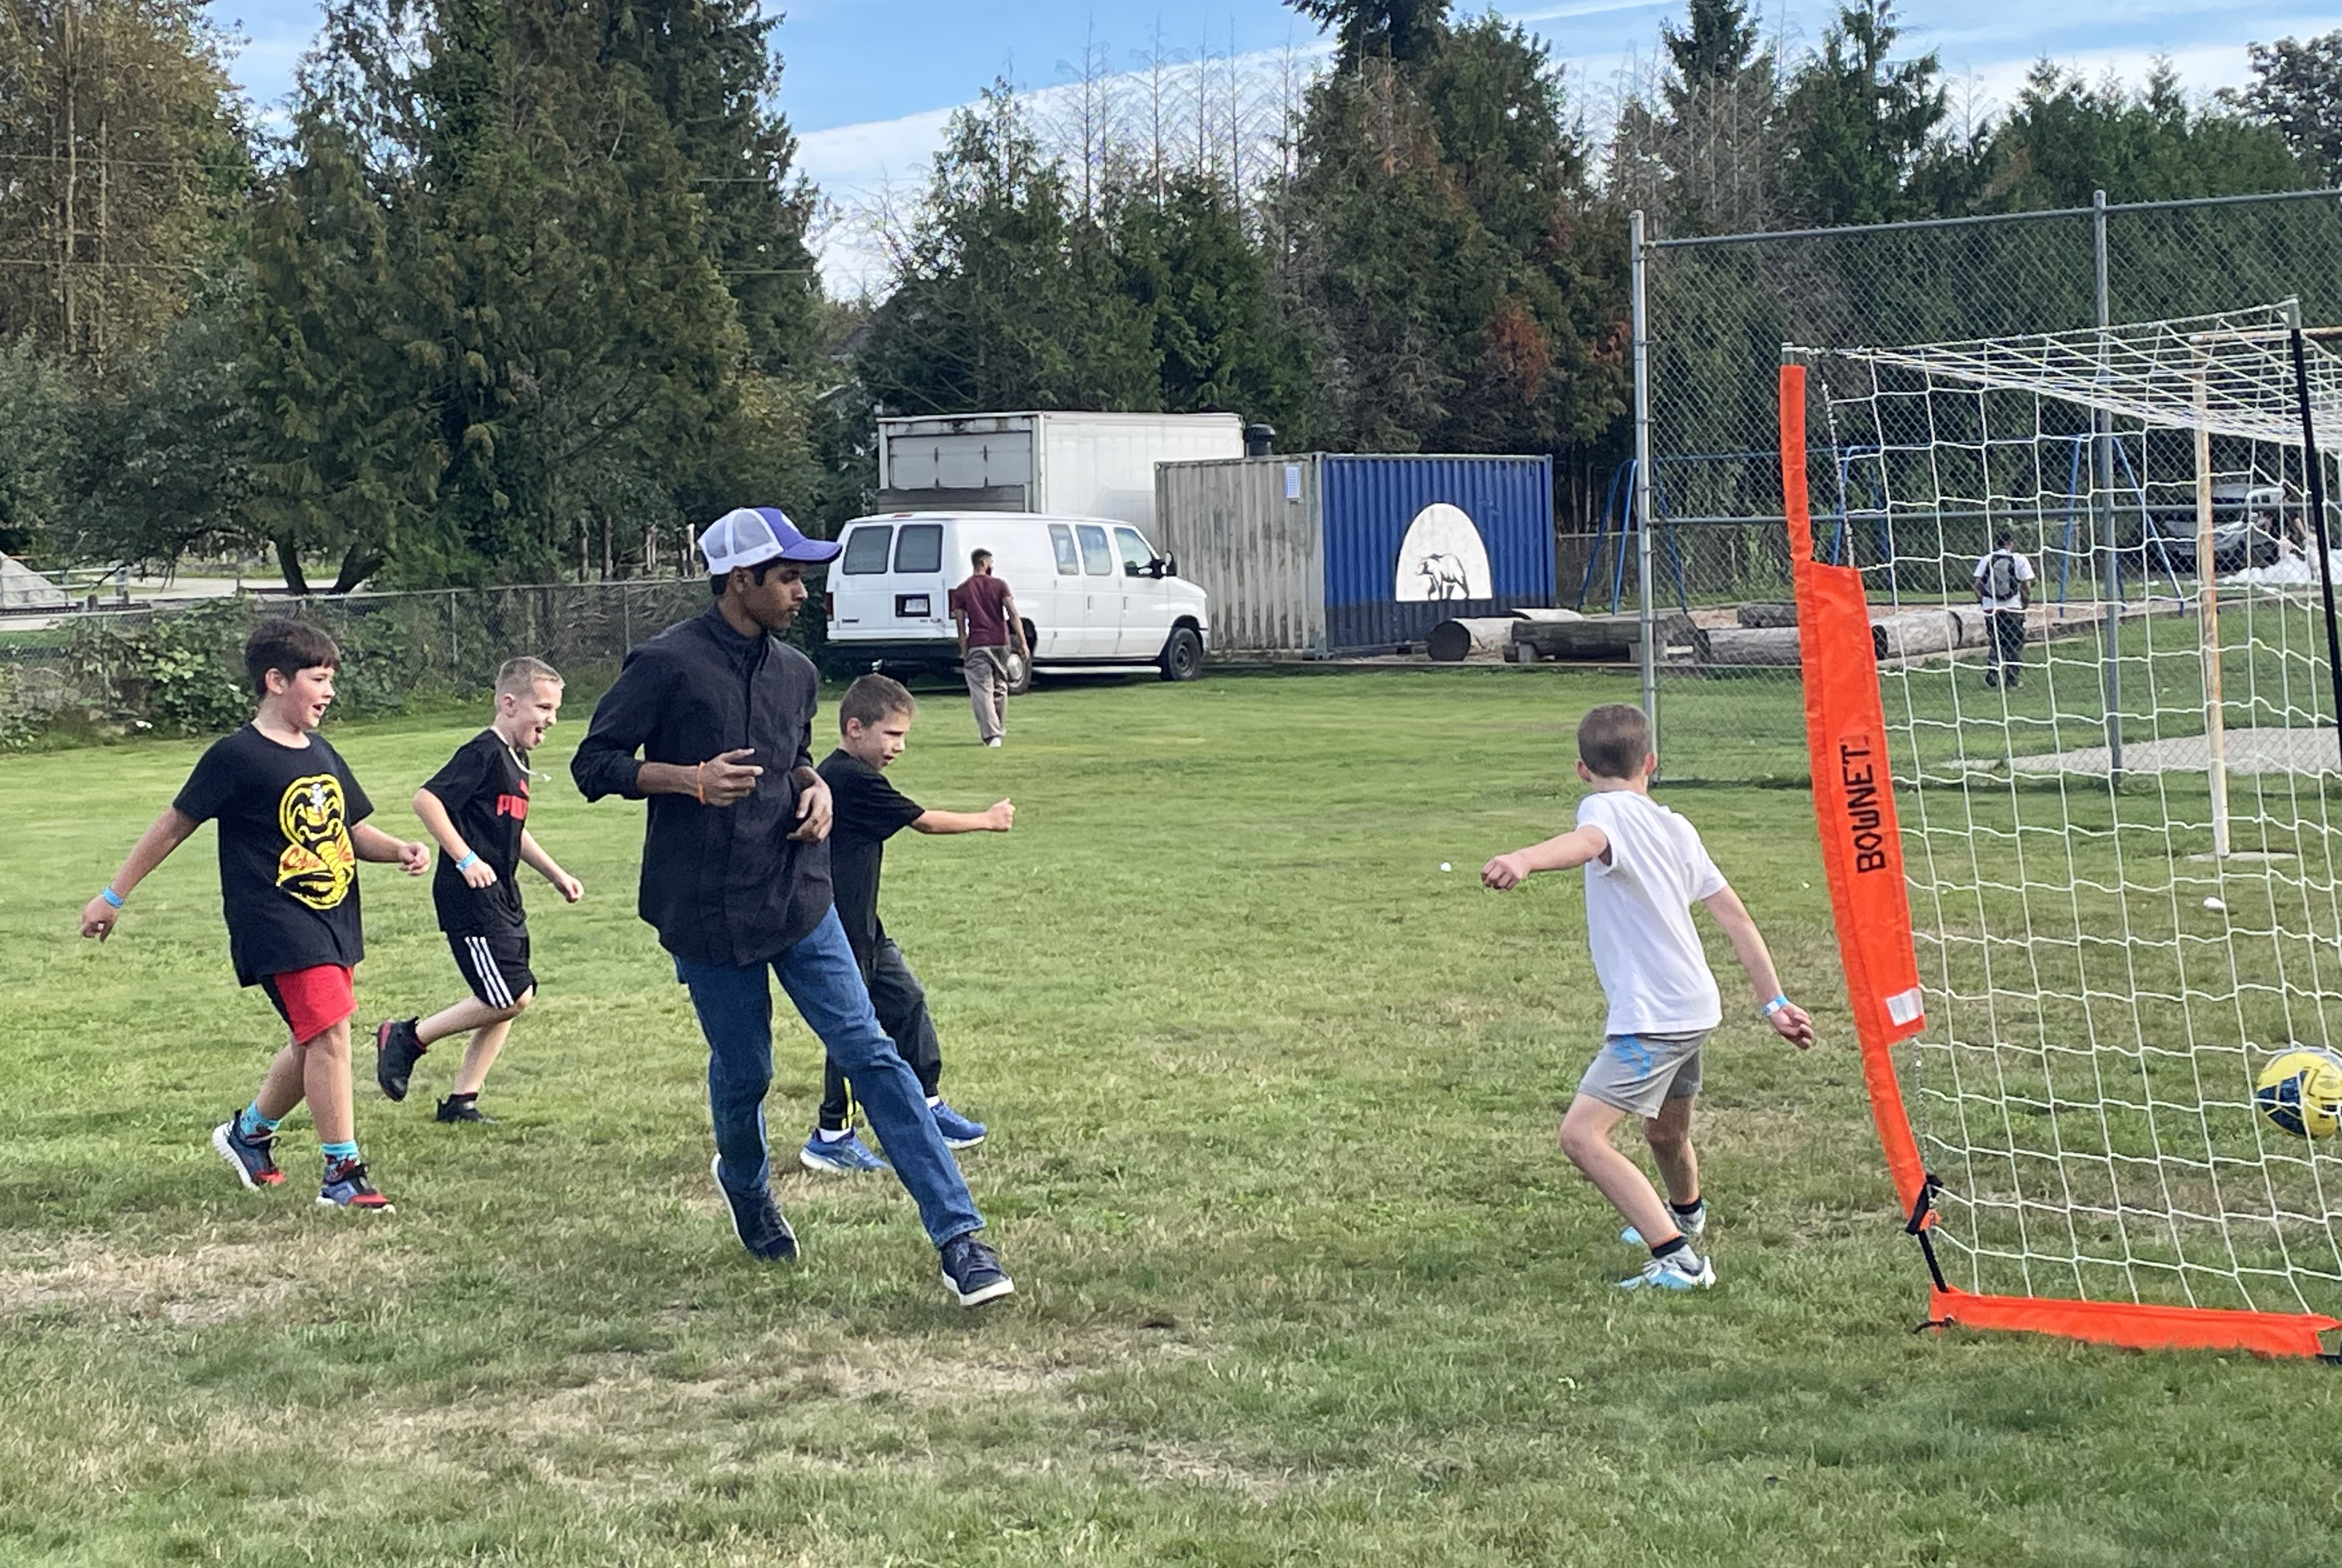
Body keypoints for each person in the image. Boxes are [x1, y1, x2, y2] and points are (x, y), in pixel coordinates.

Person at [571, 505, 1014, 1307]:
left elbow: (795, 757)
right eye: (788, 576)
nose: (802, 591)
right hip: (704, 908)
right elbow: (592, 763)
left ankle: (961, 1238)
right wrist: (688, 778)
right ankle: (744, 1181)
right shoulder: (664, 664)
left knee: (871, 1050)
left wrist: (812, 787)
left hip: (799, 894)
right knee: (747, 1074)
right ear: (740, 581)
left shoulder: (797, 671)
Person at [78, 619, 431, 1211]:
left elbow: (348, 827)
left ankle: (249, 1133)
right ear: (275, 680)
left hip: (333, 918)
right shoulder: (235, 756)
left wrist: (396, 848)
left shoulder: (320, 751)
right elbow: (171, 827)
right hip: (275, 921)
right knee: (329, 1035)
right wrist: (112, 896)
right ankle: (342, 1173)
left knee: (315, 1039)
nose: (329, 693)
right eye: (318, 680)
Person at [1482, 702, 1816, 1290]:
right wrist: (1773, 1003)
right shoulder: (1675, 825)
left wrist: (1524, 859)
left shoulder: (1600, 810)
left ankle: (1678, 1260)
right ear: (1652, 764)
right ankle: (1684, 1213)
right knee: (1664, 1132)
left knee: (1581, 1136)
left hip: (1654, 1020)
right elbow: (1736, 920)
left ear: (1581, 771)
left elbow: (1586, 841)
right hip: (1691, 1008)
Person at [802, 674, 1011, 1174]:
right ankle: (831, 1134)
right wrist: (987, 819)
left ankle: (927, 1105)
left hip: (864, 923)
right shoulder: (849, 778)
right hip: (838, 927)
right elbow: (923, 821)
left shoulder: (847, 773)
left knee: (905, 1000)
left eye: (903, 737)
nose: (899, 746)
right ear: (855, 728)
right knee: (851, 1030)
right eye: (892, 735)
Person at [374, 656, 583, 1124]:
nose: (551, 719)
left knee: (511, 993)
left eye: (555, 710)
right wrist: (464, 858)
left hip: (503, 893)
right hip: (468, 897)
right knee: (510, 995)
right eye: (544, 708)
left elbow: (514, 830)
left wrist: (555, 873)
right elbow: (427, 800)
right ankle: (407, 1037)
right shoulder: (484, 752)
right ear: (509, 703)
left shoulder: (517, 760)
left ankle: (462, 1101)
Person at [948, 548, 1029, 747]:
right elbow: (1013, 614)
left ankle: (992, 734)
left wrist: (964, 649)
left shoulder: (962, 590)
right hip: (1001, 643)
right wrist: (1023, 642)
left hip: (978, 643)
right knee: (1000, 687)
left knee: (982, 688)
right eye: (991, 562)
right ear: (984, 563)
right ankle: (998, 730)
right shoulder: (1000, 585)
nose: (992, 566)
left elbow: (961, 625)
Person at [1974, 529, 2034, 688]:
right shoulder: (2019, 559)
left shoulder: (1987, 559)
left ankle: (1993, 670)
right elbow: (2026, 586)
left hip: (1991, 608)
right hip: (2012, 607)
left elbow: (1977, 586)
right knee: (2014, 643)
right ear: (2011, 543)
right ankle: (2012, 681)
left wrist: (1983, 602)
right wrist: (2025, 604)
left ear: (1996, 543)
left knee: (1996, 641)